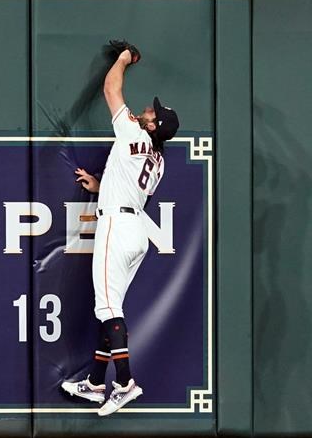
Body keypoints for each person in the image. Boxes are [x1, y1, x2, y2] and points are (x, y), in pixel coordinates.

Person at [62, 47, 179, 415]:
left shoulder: (134, 131)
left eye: (152, 113)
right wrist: (101, 188)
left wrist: (124, 59)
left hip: (117, 225)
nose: (147, 110)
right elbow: (131, 183)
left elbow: (111, 90)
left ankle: (125, 382)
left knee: (108, 307)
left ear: (153, 126)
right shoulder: (158, 161)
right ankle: (96, 383)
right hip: (135, 229)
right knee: (108, 310)